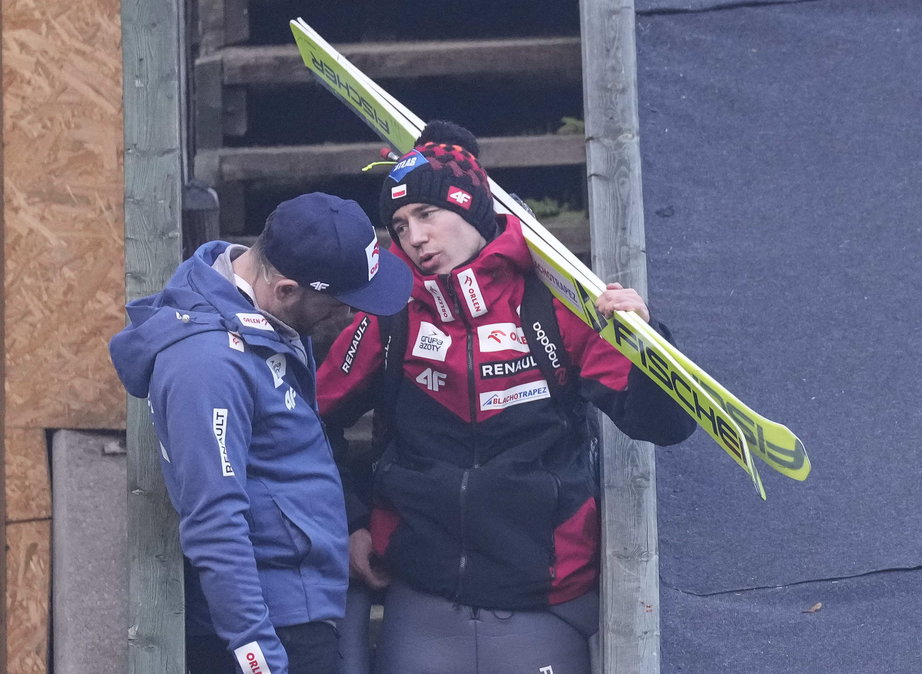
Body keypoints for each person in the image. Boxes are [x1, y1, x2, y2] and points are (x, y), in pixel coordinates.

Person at [317, 121, 697, 674]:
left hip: (544, 602)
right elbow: (308, 419)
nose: (414, 237)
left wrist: (649, 343)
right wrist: (350, 520)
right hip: (424, 600)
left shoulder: (557, 304)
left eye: (427, 215)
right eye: (399, 225)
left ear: (472, 212)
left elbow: (665, 425)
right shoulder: (390, 316)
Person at [109, 192, 414, 674]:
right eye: (339, 302)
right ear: (288, 290)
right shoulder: (207, 365)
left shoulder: (267, 322)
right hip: (272, 631)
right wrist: (258, 656)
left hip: (303, 605)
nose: (351, 316)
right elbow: (214, 519)